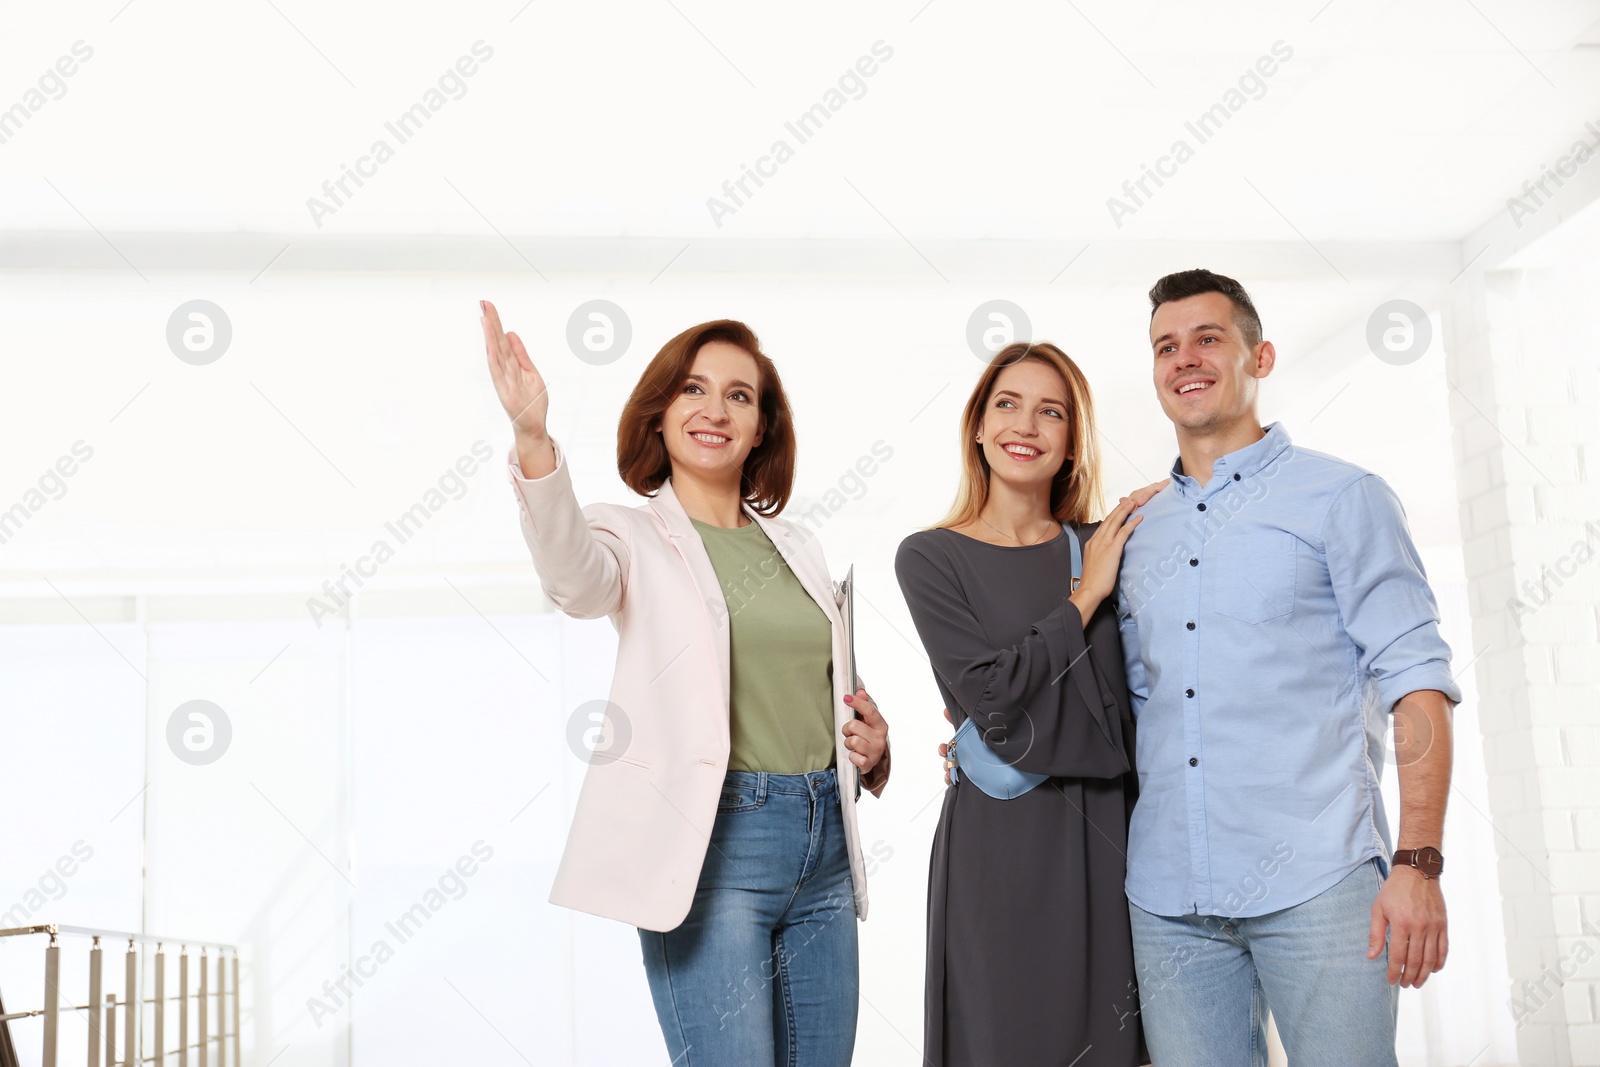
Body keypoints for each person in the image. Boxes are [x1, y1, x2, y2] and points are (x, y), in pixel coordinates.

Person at [481, 300, 891, 1066]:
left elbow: (821, 683)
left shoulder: (797, 544)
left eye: (740, 395)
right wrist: (533, 437)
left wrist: (872, 739)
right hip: (716, 850)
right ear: (660, 415)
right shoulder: (628, 534)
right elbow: (574, 580)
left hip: (825, 844)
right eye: (693, 390)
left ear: (763, 424)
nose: (716, 409)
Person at [1116, 269, 1459, 1066]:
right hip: (1169, 898)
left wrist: (1417, 862)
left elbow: (1418, 682)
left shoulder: (1343, 498)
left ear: (1258, 356)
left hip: (1322, 882)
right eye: (1167, 345)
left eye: (1208, 338)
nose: (1185, 358)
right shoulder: (1135, 531)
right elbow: (1128, 703)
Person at [896, 341, 1156, 1067]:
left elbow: (1145, 698)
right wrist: (1085, 596)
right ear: (977, 425)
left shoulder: (1106, 542)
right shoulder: (929, 556)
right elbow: (991, 695)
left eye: (1052, 411)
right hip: (1000, 847)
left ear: (1072, 440)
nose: (1027, 425)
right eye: (1007, 403)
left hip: (1111, 835)